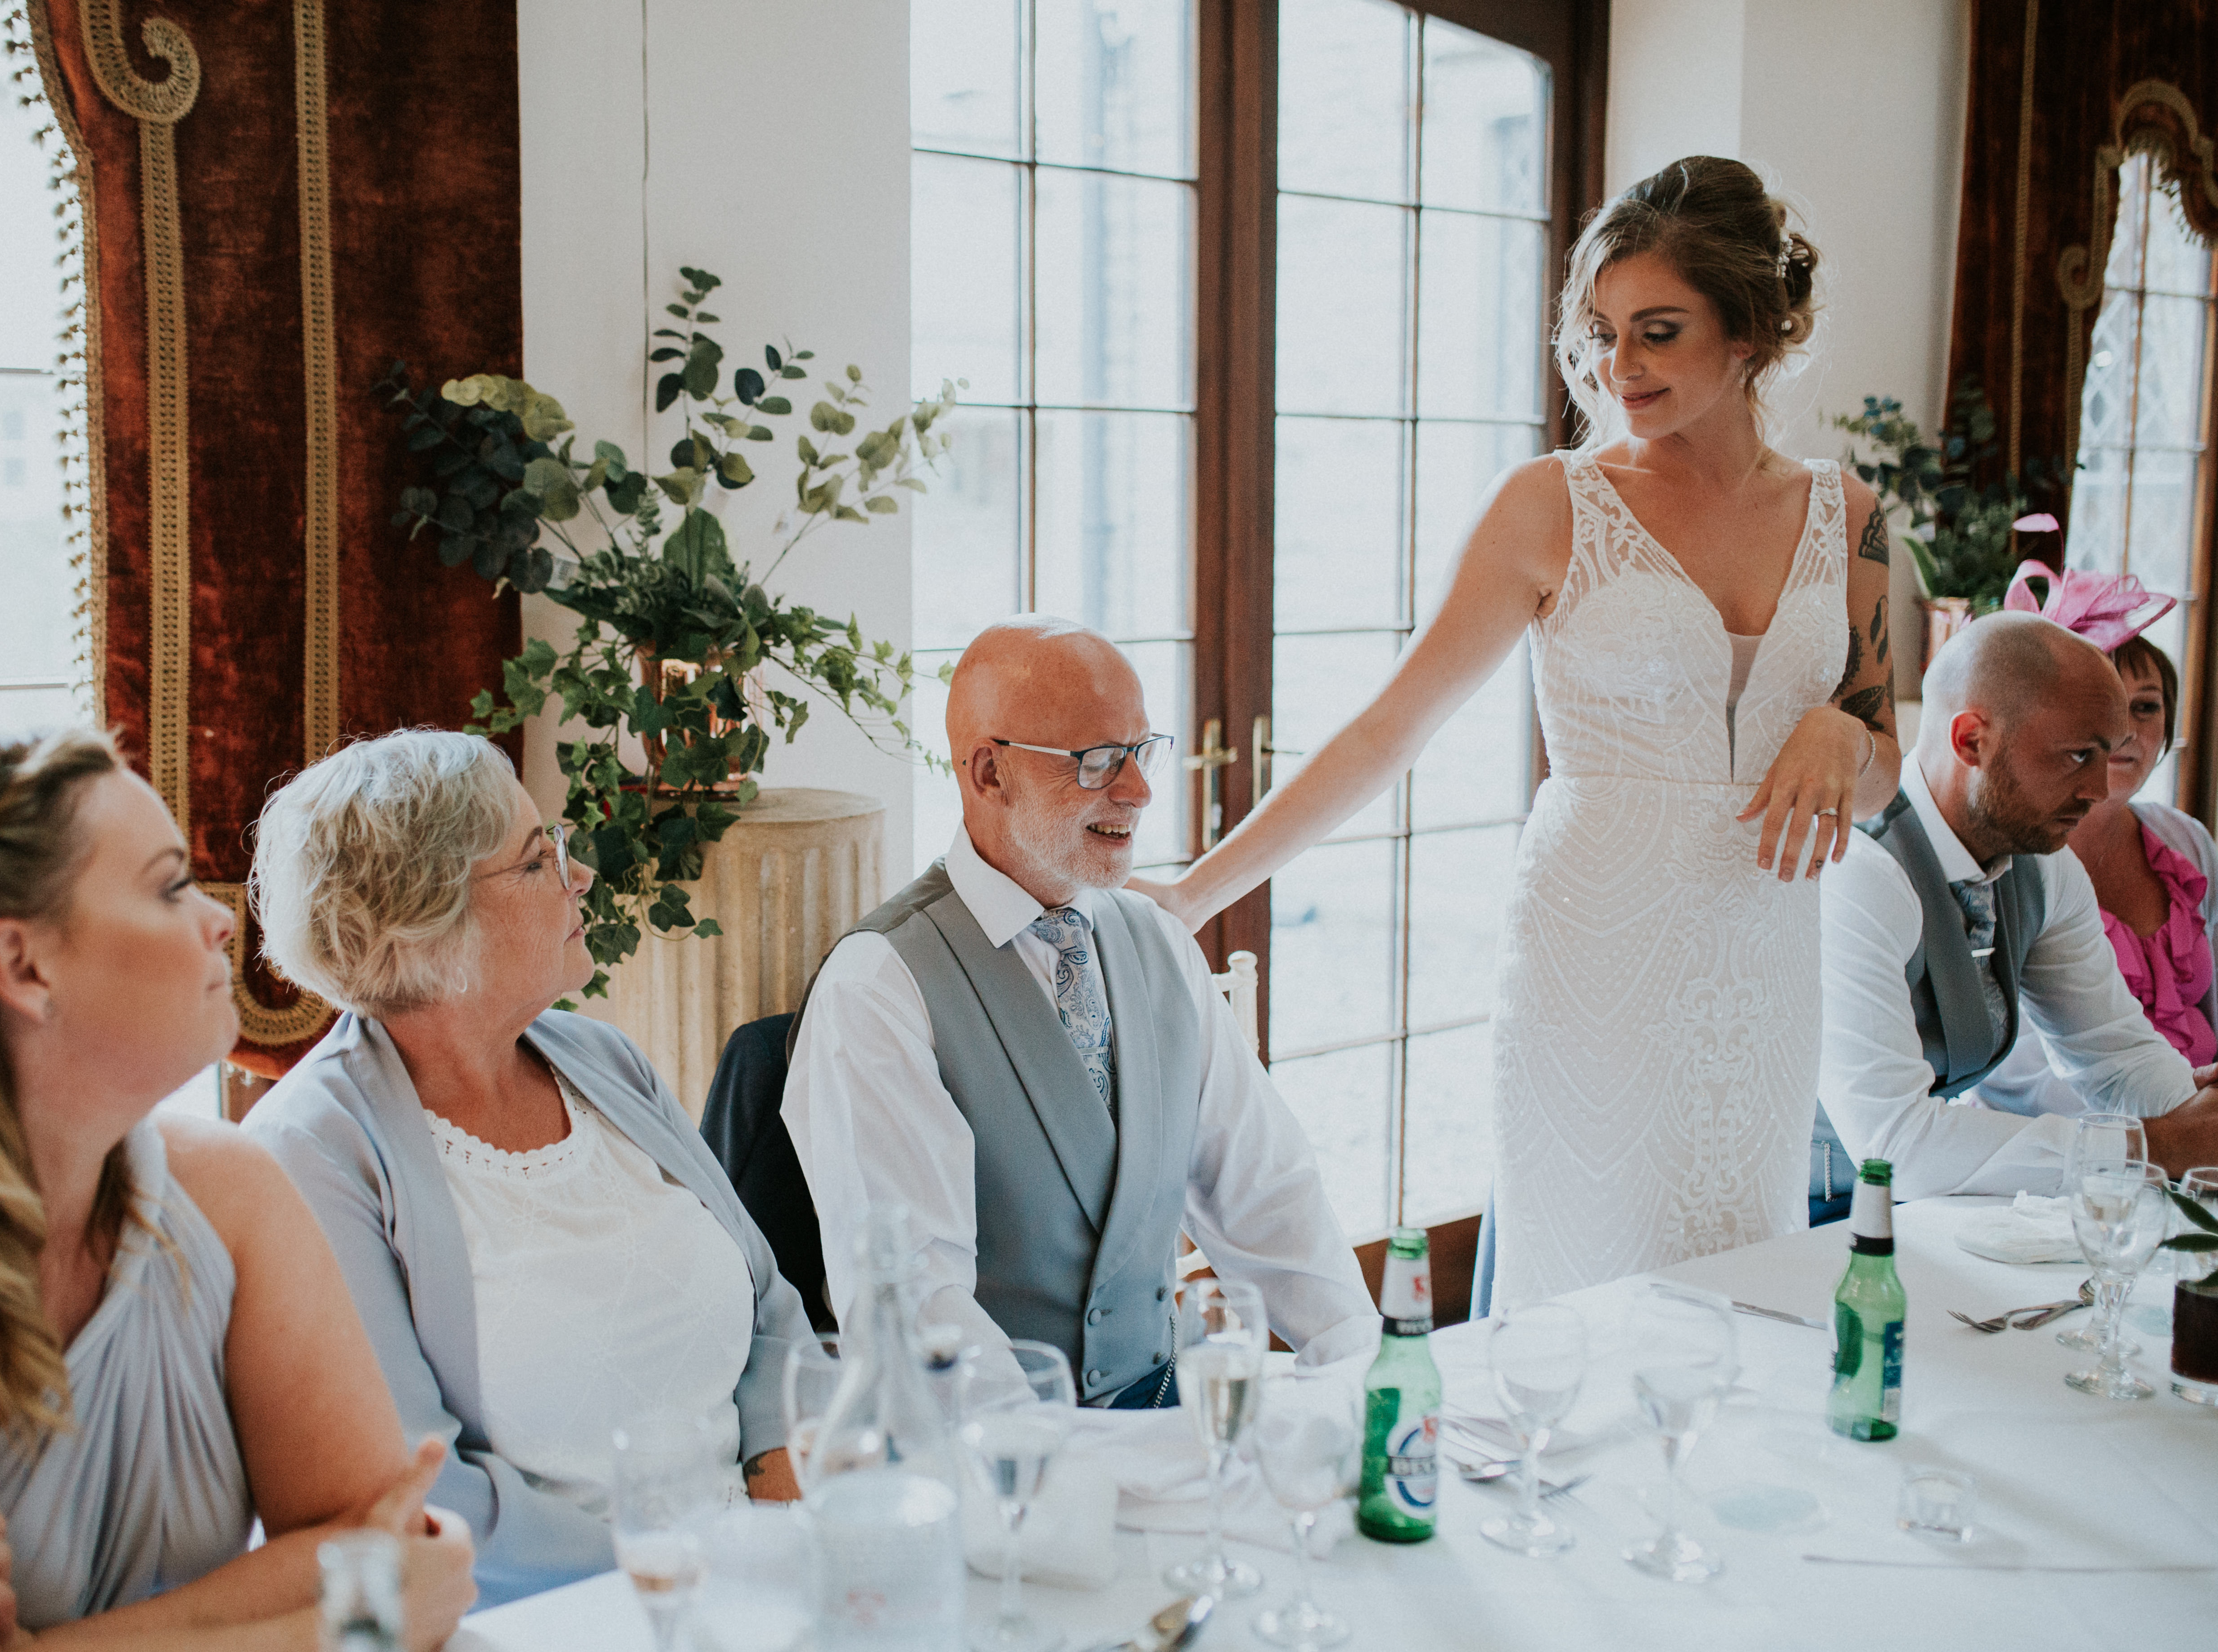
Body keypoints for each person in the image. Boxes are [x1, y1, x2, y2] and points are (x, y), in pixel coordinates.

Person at [1132, 157, 1901, 1308]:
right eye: (1598, 332)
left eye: (1656, 331)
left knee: (1744, 1287)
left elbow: (1885, 774)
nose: (1614, 366)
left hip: (1763, 968)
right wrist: (1194, 895)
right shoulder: (1551, 505)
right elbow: (1390, 729)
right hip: (1595, 959)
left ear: (1746, 332)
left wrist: (1847, 741)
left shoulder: (1848, 517)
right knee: (1591, 1293)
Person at [0, 729, 475, 1651]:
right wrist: (329, 1626)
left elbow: (390, 1542)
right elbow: (386, 1599)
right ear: (24, 966)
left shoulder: (229, 1190)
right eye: (168, 884)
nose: (218, 918)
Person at [240, 729, 815, 1606]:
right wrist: (681, 1567)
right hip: (559, 1611)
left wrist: (778, 1494)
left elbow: (769, 1300)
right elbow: (413, 1480)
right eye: (538, 858)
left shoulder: (601, 1058)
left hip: (764, 1569)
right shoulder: (313, 1149)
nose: (579, 875)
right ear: (427, 918)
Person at [782, 617, 1376, 1408]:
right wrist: (1061, 1479)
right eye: (1095, 762)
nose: (1136, 791)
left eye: (1141, 751)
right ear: (989, 774)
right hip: (1002, 1463)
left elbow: (1270, 1195)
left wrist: (1369, 1376)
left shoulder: (1161, 945)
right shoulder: (877, 988)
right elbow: (915, 1307)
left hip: (1167, 1417)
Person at [1815, 613, 2218, 1206]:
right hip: (1800, 1215)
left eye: (2105, 755)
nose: (2098, 789)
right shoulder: (1857, 868)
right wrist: (2152, 1146)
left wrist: (2193, 1115)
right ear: (1969, 740)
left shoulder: (2041, 863)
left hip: (1932, 1209)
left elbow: (2113, 1051)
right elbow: (1893, 1147)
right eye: (2077, 755)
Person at [1976, 569, 2218, 1118]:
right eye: (2107, 709)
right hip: (2063, 1140)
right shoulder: (2015, 861)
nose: (2127, 731)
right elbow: (2013, 1072)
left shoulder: (2187, 845)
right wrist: (2171, 1123)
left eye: (2146, 707)